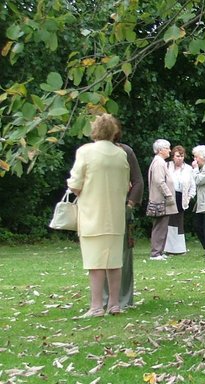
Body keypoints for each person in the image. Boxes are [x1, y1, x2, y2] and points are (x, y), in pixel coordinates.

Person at [67, 113, 130, 318]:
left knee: (94, 263)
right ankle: (114, 304)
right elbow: (125, 185)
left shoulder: (85, 152)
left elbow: (75, 184)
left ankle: (96, 307)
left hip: (92, 214)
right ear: (114, 131)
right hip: (116, 215)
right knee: (114, 263)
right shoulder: (121, 154)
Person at [103, 125, 144, 310]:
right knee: (100, 255)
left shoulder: (125, 151)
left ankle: (123, 299)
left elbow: (138, 181)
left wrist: (129, 205)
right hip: (100, 210)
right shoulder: (92, 153)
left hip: (121, 209)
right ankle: (104, 300)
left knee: (123, 255)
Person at [147, 139, 178, 260]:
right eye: (168, 148)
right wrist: (169, 195)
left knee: (162, 226)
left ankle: (159, 252)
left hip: (161, 200)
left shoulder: (159, 162)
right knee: (160, 226)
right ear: (161, 150)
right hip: (161, 201)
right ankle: (156, 253)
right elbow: (159, 181)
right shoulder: (159, 163)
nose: (170, 150)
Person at [164, 145, 196, 254]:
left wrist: (189, 198)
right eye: (178, 156)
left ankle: (179, 248)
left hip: (181, 198)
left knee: (179, 222)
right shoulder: (167, 166)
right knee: (168, 222)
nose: (180, 158)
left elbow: (193, 186)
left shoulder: (188, 169)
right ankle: (168, 248)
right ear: (173, 156)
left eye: (182, 156)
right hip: (169, 196)